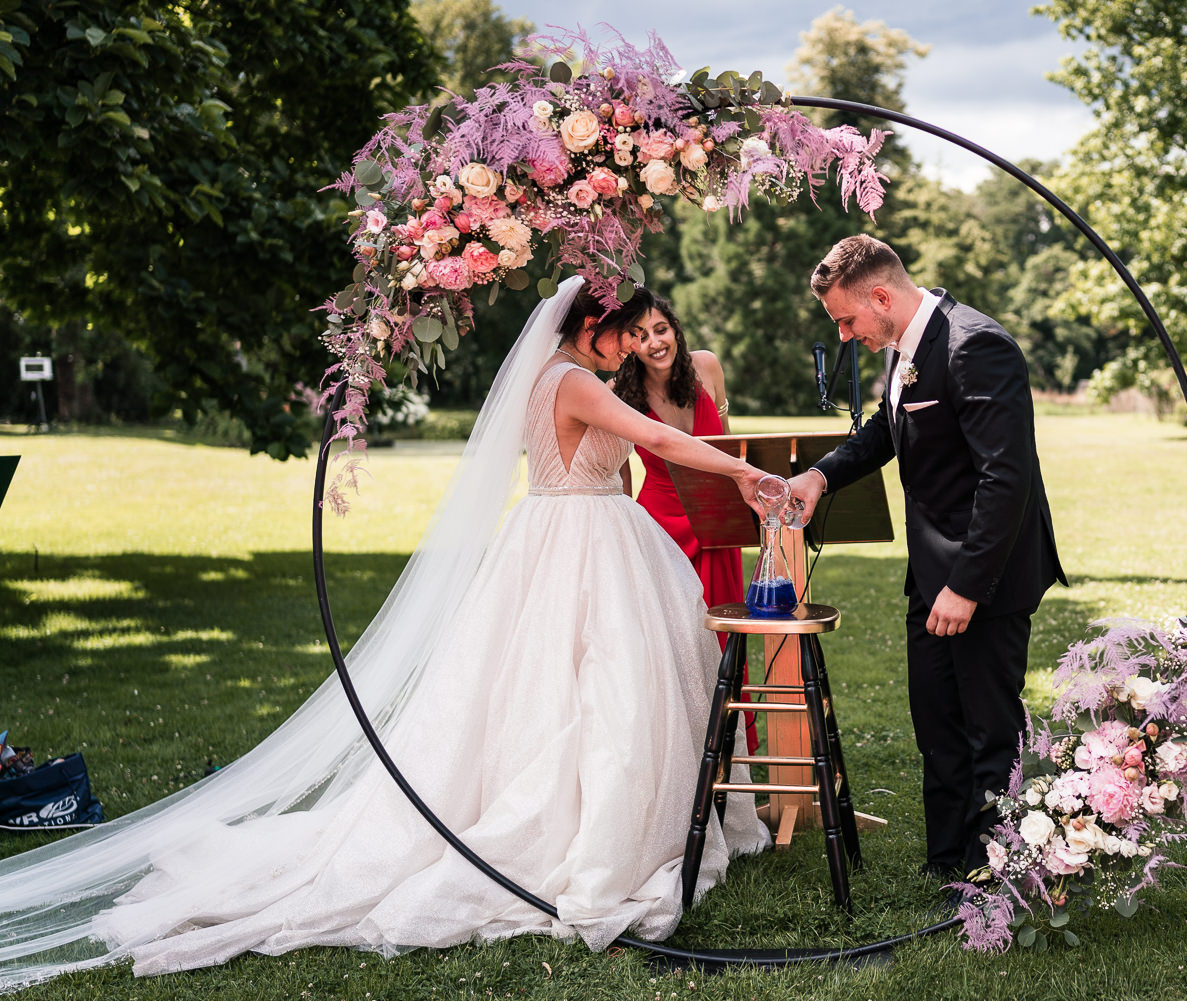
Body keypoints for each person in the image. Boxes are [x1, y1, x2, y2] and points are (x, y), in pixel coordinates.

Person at [0, 276, 770, 991]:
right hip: (580, 540)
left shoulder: (565, 378)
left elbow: (640, 448)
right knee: (597, 691)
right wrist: (744, 473)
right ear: (586, 329)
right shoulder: (569, 381)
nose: (630, 343)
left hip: (573, 533)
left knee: (583, 687)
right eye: (618, 331)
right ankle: (591, 831)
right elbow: (662, 443)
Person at [787, 235, 1067, 880]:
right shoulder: (904, 346)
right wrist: (821, 476)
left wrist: (967, 586)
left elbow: (1007, 478)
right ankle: (948, 862)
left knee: (988, 733)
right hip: (933, 571)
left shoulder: (977, 347)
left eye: (846, 319)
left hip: (984, 576)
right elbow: (889, 427)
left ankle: (995, 870)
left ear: (881, 297)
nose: (846, 333)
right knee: (937, 721)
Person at [611, 291, 757, 753]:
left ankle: (731, 750)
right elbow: (620, 471)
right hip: (662, 525)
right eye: (639, 335)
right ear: (627, 344)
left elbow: (729, 447)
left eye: (661, 329)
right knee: (672, 640)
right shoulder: (617, 393)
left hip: (717, 523)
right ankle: (680, 751)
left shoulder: (707, 367)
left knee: (727, 634)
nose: (654, 342)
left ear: (675, 328)